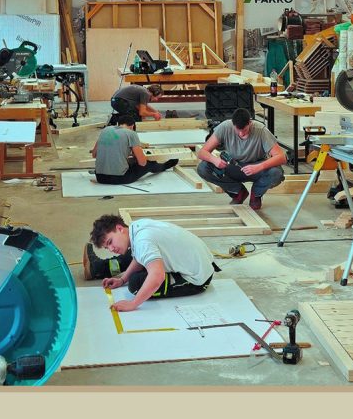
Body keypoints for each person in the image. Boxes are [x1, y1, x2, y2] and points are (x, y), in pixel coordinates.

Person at [86, 214, 220, 312]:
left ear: (120, 228)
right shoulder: (137, 227)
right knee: (132, 260)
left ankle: (97, 268)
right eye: (107, 248)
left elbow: (157, 276)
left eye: (110, 242)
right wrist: (122, 280)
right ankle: (97, 268)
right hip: (202, 262)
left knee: (136, 283)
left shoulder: (143, 241)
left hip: (198, 279)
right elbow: (138, 258)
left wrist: (133, 304)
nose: (111, 249)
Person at [196, 108, 286, 210]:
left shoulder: (261, 130)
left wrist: (259, 166)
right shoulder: (225, 127)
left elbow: (281, 157)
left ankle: (256, 195)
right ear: (233, 124)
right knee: (203, 168)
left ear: (250, 123)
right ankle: (238, 192)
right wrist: (214, 160)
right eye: (237, 131)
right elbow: (202, 152)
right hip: (233, 166)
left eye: (245, 130)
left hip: (256, 168)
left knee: (276, 172)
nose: (241, 134)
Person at [91, 115, 178, 185]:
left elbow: (94, 154)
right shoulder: (131, 133)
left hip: (100, 178)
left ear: (118, 124)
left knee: (129, 163)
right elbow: (142, 163)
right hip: (120, 178)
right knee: (150, 163)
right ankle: (166, 165)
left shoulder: (106, 130)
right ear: (132, 126)